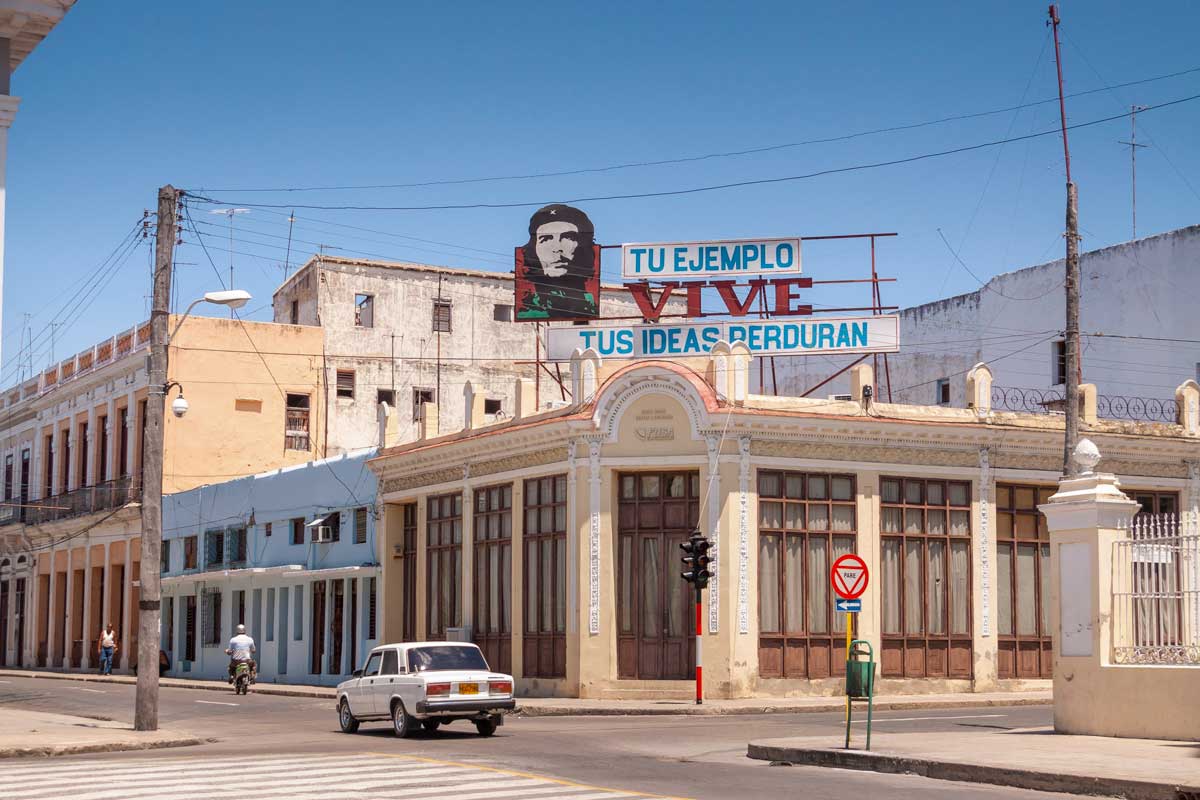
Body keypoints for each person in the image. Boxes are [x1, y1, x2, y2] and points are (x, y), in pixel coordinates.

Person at [516, 203, 599, 320]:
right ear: (534, 249)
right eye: (546, 239)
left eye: (568, 237)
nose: (556, 248)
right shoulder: (526, 310)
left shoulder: (592, 307)